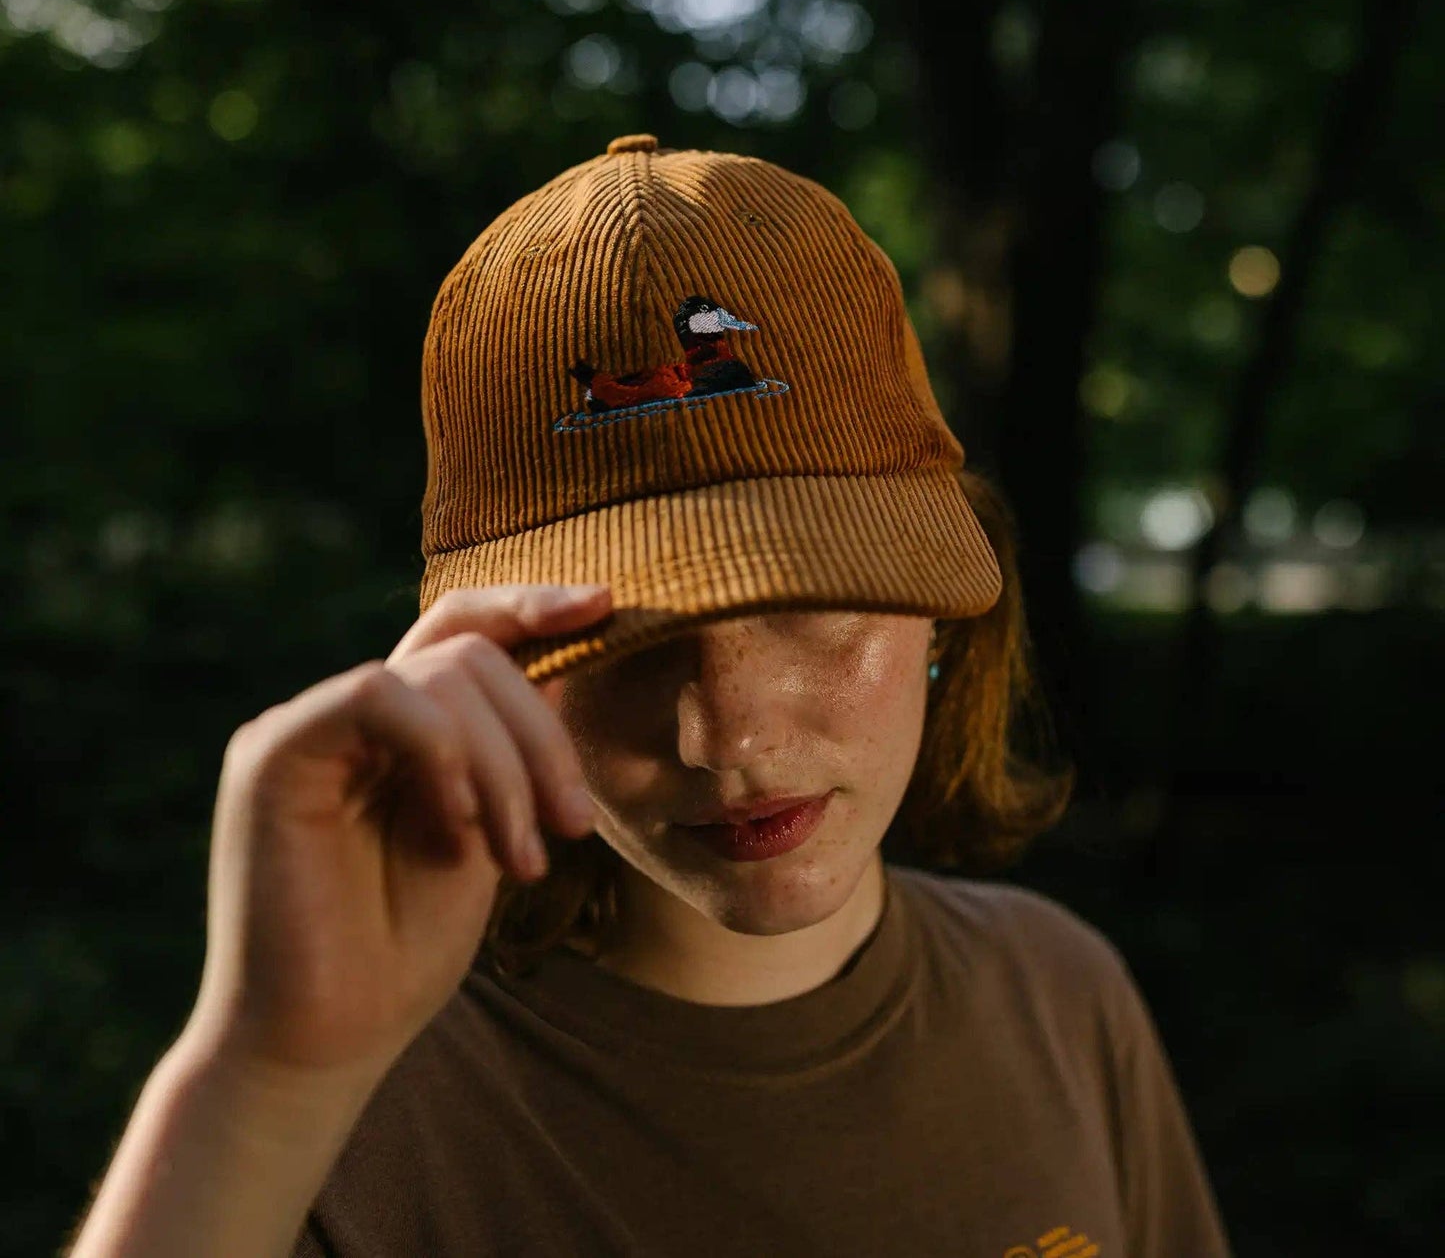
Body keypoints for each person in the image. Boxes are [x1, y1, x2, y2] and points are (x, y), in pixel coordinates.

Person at [64, 134, 1234, 1258]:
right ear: (483, 663)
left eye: (808, 601)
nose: (725, 731)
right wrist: (262, 1076)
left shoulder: (1059, 997)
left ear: (939, 603)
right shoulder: (331, 1131)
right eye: (614, 638)